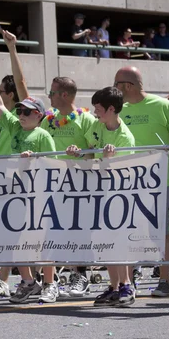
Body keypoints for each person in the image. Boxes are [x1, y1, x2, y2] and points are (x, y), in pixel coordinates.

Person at [0, 30, 97, 301]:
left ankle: (80, 274)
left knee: (77, 231)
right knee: (47, 232)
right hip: (46, 184)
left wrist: (82, 157)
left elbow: (94, 153)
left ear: (64, 94)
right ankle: (42, 280)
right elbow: (21, 85)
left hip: (77, 182)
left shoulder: (85, 119)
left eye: (53, 92)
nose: (49, 96)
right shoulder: (48, 118)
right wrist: (12, 49)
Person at [0, 58, 55, 304]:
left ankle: (50, 283)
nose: (21, 115)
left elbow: (51, 164)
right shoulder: (14, 127)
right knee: (12, 239)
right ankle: (27, 281)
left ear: (39, 115)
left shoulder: (42, 134)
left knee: (40, 241)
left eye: (27, 112)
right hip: (13, 192)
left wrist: (33, 159)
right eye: (20, 111)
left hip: (36, 195)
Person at [114, 66, 169, 298]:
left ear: (128, 85)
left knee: (160, 231)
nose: (115, 89)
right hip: (126, 182)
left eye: (117, 84)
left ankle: (164, 280)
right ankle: (130, 278)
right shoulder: (119, 109)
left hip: (159, 180)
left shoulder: (163, 106)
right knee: (126, 230)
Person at [67, 86, 136, 307]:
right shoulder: (97, 126)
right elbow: (89, 152)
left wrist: (107, 159)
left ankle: (127, 285)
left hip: (118, 195)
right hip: (97, 192)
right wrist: (77, 152)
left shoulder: (125, 136)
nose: (95, 113)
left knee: (118, 242)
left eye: (98, 108)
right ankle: (113, 287)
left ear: (111, 109)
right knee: (105, 243)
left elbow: (119, 171)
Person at [0, 75, 19, 156]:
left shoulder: (21, 115)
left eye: (0, 92)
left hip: (15, 166)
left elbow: (21, 83)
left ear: (10, 95)